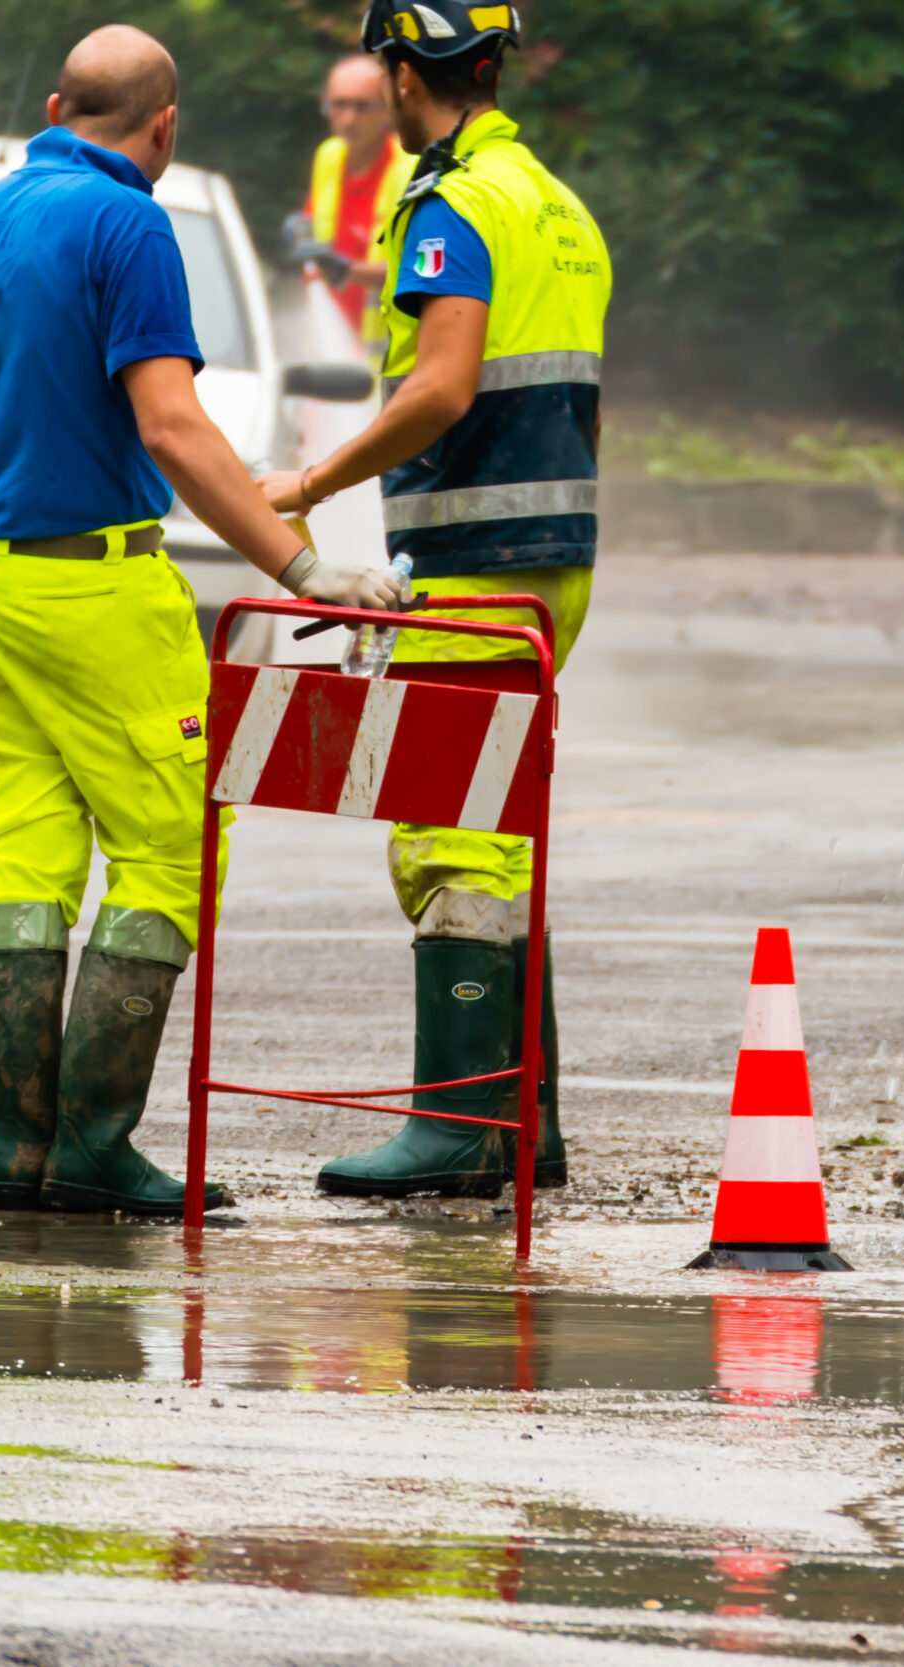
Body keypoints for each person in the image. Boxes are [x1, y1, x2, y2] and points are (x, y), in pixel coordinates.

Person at [0, 25, 407, 1216]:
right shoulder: (133, 224)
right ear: (163, 129)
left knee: (25, 849)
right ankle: (93, 1147)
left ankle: (17, 1155)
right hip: (95, 585)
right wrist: (305, 568)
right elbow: (173, 427)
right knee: (171, 842)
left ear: (52, 105)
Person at [261, 0, 610, 1200]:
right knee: (502, 819)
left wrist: (306, 482)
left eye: (387, 70)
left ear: (410, 71)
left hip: (472, 551)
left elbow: (445, 384)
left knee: (449, 824)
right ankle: (527, 1121)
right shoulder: (557, 206)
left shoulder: (451, 202)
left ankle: (459, 1124)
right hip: (551, 555)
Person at [305, 53, 415, 337]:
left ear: (388, 109)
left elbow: (420, 269)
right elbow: (314, 222)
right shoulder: (329, 154)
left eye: (362, 107)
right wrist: (298, 231)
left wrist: (347, 271)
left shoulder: (411, 170)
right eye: (338, 105)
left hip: (383, 355)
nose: (348, 119)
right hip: (327, 336)